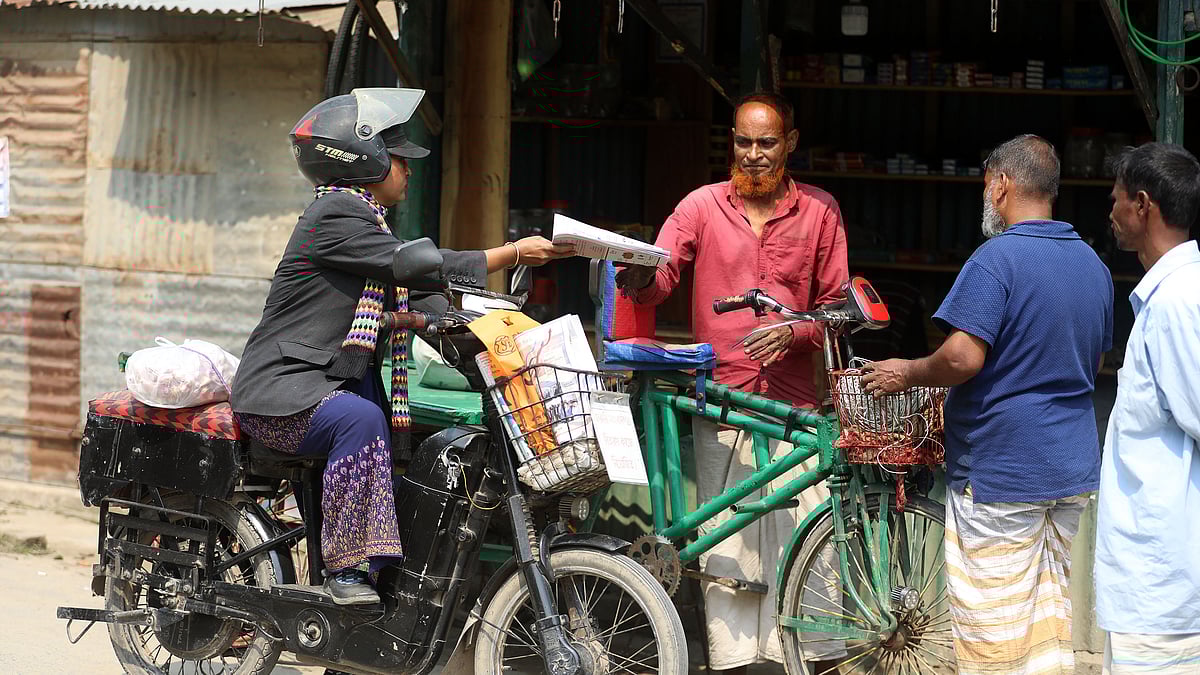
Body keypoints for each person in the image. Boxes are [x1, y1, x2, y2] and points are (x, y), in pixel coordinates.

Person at [230, 88, 572, 605]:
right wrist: (513, 251)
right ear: (364, 159)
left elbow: (424, 291)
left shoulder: (368, 224)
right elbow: (413, 266)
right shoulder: (337, 215)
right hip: (281, 394)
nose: (408, 171)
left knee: (385, 426)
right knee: (361, 420)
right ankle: (346, 571)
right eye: (399, 160)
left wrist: (496, 325)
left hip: (317, 386)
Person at [861, 134, 1114, 675]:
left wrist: (907, 372)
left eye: (986, 185)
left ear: (1002, 185)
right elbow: (1091, 364)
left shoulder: (997, 259)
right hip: (1070, 469)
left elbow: (960, 358)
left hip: (1002, 470)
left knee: (993, 624)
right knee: (1048, 612)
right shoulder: (1092, 264)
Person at [616, 92, 849, 673]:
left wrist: (794, 333)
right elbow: (661, 269)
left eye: (765, 143)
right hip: (720, 398)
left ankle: (809, 654)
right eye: (742, 143)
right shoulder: (700, 206)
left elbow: (836, 307)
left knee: (805, 531)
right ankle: (737, 664)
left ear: (789, 145)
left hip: (795, 404)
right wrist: (640, 271)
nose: (752, 155)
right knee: (726, 538)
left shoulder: (821, 212)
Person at [1095, 142, 1200, 674]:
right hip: (1151, 581)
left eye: (1115, 199)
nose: (1109, 212)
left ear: (1142, 204)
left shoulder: (1179, 303)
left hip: (1165, 581)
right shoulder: (1169, 295)